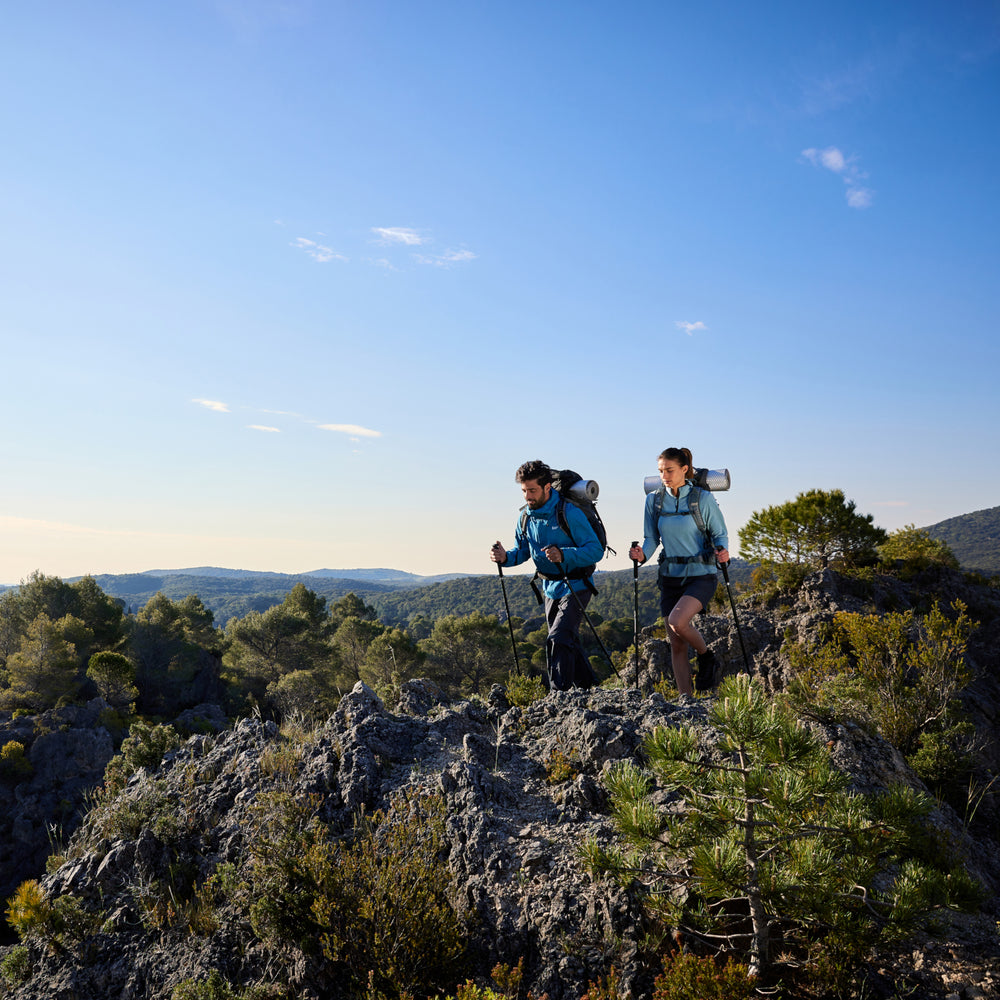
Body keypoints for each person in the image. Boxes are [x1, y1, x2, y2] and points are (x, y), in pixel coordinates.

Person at [490, 460, 604, 691]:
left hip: (577, 585)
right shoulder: (525, 517)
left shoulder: (568, 513)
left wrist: (564, 554)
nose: (527, 496)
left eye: (532, 490)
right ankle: (591, 690)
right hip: (549, 588)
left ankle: (557, 697)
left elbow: (595, 551)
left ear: (547, 487)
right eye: (524, 491)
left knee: (558, 639)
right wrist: (504, 558)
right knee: (567, 640)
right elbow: (522, 552)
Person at [628, 447, 730, 696]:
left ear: (685, 469)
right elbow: (651, 538)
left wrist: (723, 551)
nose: (664, 475)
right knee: (676, 644)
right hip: (670, 576)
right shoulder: (653, 500)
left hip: (701, 574)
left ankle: (707, 656)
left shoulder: (701, 498)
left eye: (669, 470)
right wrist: (642, 554)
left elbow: (720, 533)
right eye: (661, 471)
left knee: (677, 622)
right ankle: (687, 701)